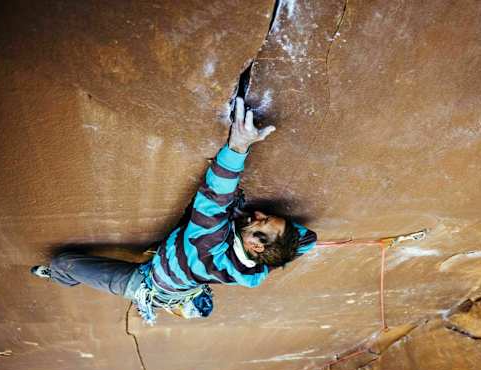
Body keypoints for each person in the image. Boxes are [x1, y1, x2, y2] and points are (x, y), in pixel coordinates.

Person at [30, 98, 317, 323]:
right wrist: (285, 241)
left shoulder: (208, 242)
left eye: (261, 221)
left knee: (64, 262)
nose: (256, 214)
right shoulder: (258, 267)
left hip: (149, 284)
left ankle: (56, 276)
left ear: (255, 243)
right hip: (187, 275)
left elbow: (215, 196)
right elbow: (307, 240)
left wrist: (238, 146)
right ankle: (186, 300)